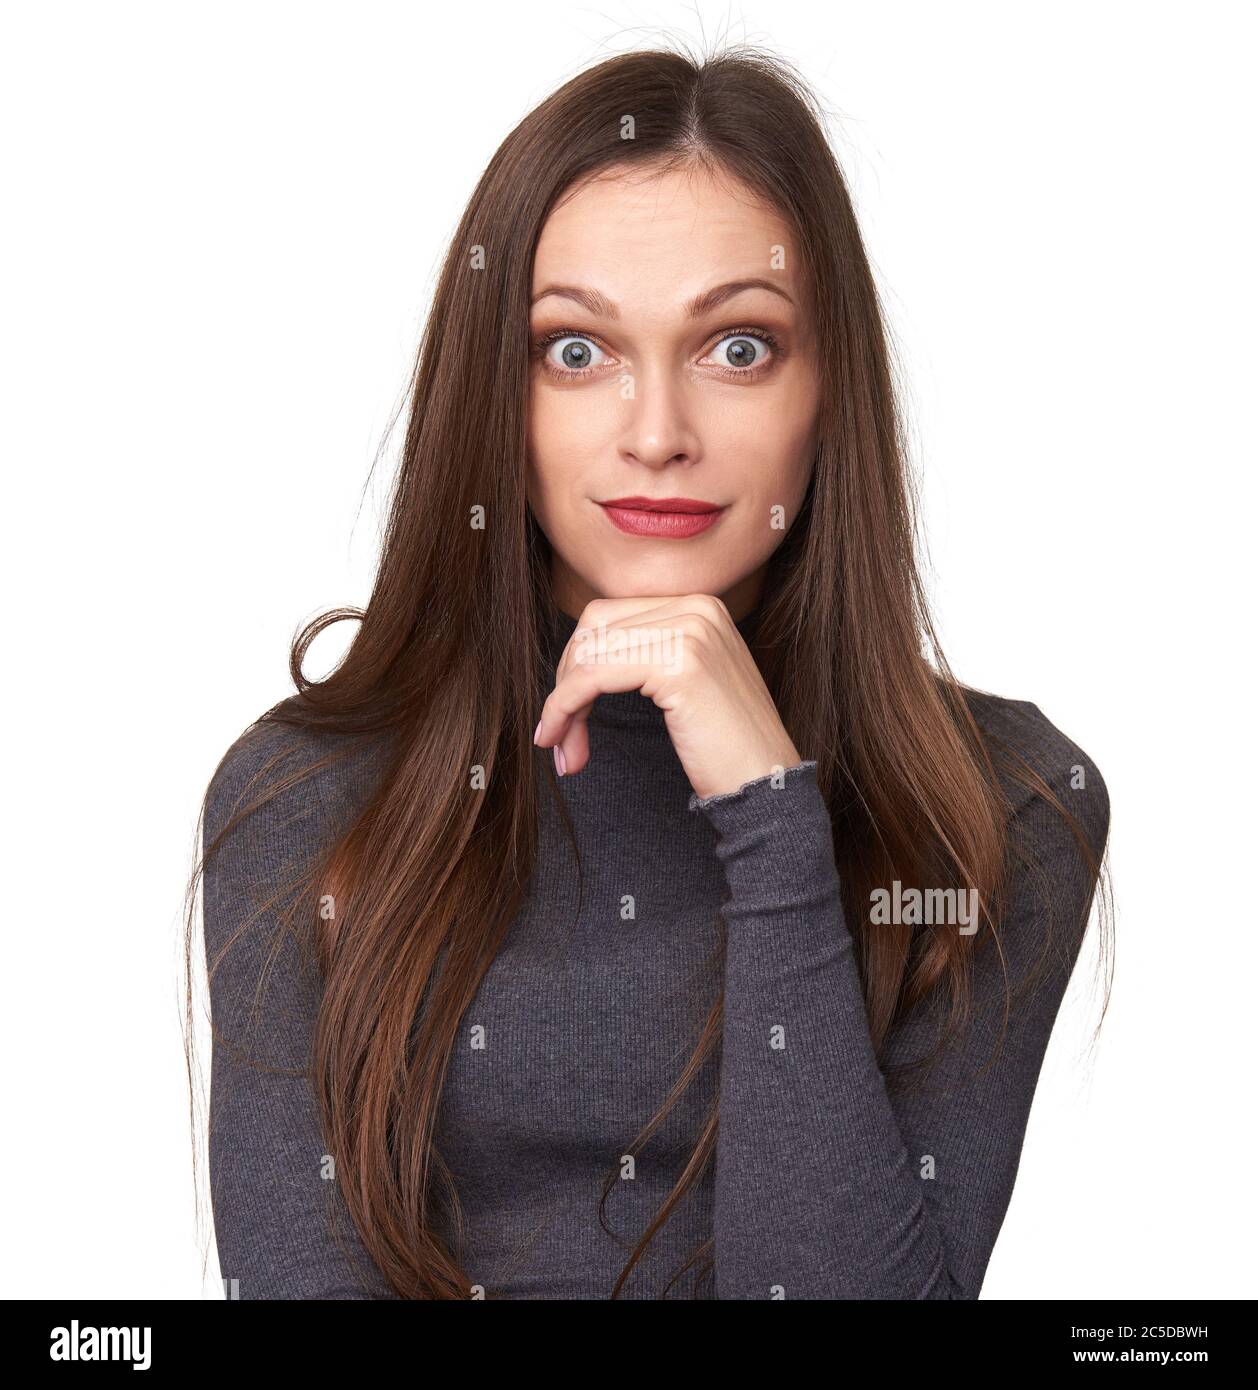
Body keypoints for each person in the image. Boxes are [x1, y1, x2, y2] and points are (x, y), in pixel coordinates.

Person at [193, 44, 1110, 1300]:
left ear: (828, 390)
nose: (657, 433)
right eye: (577, 351)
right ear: (494, 398)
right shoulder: (304, 800)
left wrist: (768, 815)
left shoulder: (995, 813)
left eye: (738, 347)